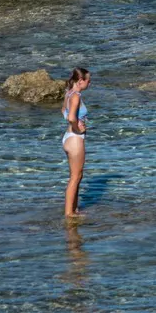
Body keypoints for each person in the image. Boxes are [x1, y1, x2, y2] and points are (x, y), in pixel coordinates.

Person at [61, 67, 90, 218]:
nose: (89, 84)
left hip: (68, 137)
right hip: (75, 139)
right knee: (75, 177)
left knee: (76, 175)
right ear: (80, 81)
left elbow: (63, 112)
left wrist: (75, 123)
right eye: (88, 81)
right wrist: (77, 128)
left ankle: (74, 209)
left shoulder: (68, 93)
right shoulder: (76, 96)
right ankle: (69, 214)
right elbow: (71, 117)